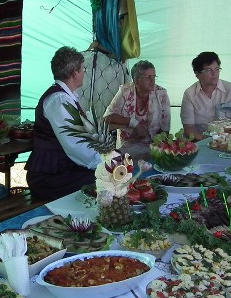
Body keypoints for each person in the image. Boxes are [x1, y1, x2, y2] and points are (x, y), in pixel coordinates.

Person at [26, 46, 102, 201]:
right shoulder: (59, 101)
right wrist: (103, 162)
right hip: (50, 177)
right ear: (75, 73)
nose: (84, 73)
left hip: (61, 170)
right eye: (83, 69)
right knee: (104, 181)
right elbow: (75, 145)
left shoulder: (65, 98)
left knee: (106, 179)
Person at [103, 60, 171, 161]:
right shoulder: (125, 91)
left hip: (154, 147)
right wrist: (133, 123)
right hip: (127, 147)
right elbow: (107, 117)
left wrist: (159, 148)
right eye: (148, 77)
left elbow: (165, 128)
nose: (152, 81)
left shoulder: (161, 94)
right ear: (136, 79)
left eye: (154, 76)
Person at [180, 51, 231, 140]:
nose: (214, 73)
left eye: (217, 69)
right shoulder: (190, 94)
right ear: (197, 74)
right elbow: (189, 128)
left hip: (226, 141)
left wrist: (221, 142)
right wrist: (207, 143)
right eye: (209, 70)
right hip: (199, 141)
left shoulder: (229, 89)